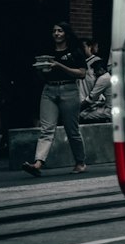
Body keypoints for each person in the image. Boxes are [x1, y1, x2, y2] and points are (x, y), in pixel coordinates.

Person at [22, 22, 87, 177]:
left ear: (66, 33)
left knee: (72, 130)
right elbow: (42, 76)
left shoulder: (75, 51)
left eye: (60, 31)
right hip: (49, 90)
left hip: (69, 90)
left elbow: (82, 73)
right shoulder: (48, 52)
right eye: (54, 31)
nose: (56, 33)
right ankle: (38, 163)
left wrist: (59, 66)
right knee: (46, 129)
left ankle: (80, 162)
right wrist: (41, 70)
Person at [79, 38, 111, 123]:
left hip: (94, 106)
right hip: (88, 104)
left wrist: (77, 110)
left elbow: (94, 96)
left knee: (83, 117)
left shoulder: (98, 65)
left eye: (83, 47)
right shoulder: (79, 62)